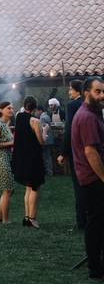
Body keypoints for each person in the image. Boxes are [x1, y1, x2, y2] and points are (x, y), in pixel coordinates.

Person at [70, 76, 104, 280]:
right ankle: (95, 269)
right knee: (96, 225)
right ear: (86, 93)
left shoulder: (93, 113)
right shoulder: (88, 117)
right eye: (98, 91)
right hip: (93, 180)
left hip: (92, 178)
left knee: (99, 224)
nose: (102, 95)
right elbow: (91, 152)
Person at [60, 79, 90, 230]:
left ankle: (81, 220)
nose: (69, 92)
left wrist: (63, 152)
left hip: (76, 152)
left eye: (71, 89)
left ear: (77, 91)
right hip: (90, 149)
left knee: (78, 185)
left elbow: (69, 130)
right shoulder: (89, 105)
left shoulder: (72, 106)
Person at [14, 95, 46, 228]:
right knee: (34, 187)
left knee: (28, 188)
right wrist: (45, 131)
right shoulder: (35, 121)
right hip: (33, 158)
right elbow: (41, 141)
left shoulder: (19, 118)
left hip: (22, 157)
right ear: (34, 107)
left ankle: (26, 217)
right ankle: (32, 219)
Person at [0, 101, 15, 224]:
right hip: (0, 159)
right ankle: (5, 220)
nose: (11, 110)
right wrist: (11, 143)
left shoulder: (6, 125)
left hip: (6, 158)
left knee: (9, 189)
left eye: (12, 108)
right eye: (8, 108)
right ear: (1, 110)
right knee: (7, 189)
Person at [39, 104, 55, 177]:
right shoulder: (47, 116)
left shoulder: (42, 118)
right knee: (48, 156)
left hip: (46, 140)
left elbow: (44, 129)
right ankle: (50, 171)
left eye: (37, 111)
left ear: (40, 111)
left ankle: (48, 172)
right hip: (50, 139)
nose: (36, 112)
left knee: (46, 157)